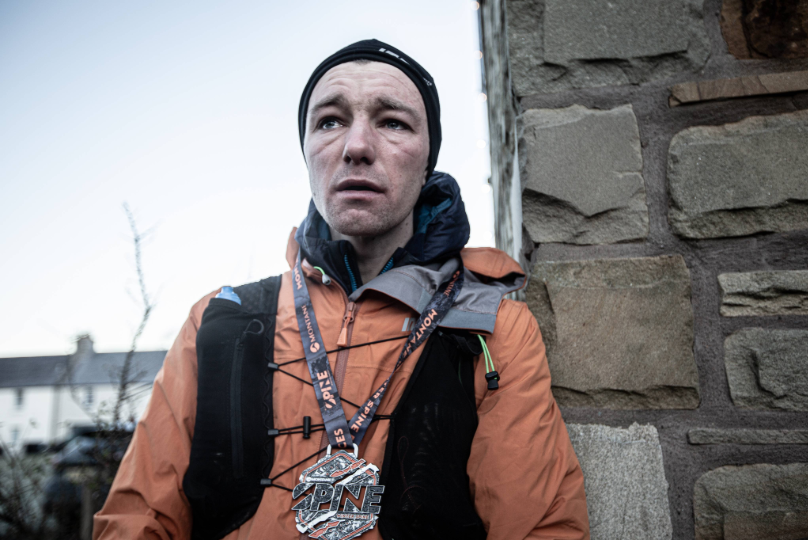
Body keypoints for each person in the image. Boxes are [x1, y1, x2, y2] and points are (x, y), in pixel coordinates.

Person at [93, 39, 589, 540]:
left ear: (427, 163)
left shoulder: (493, 327)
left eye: (392, 121)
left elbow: (539, 529)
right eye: (329, 121)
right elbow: (137, 522)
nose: (356, 146)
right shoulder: (216, 321)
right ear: (307, 152)